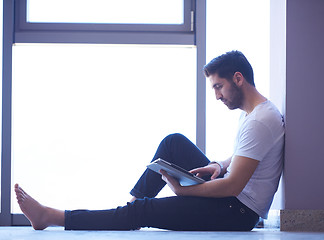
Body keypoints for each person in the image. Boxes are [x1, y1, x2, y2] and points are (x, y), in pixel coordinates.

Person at [15, 50, 285, 231]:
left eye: (218, 86)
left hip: (236, 212)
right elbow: (244, 157)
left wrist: (185, 191)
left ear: (238, 79)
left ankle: (51, 217)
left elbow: (233, 185)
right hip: (233, 199)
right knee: (173, 143)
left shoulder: (260, 120)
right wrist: (218, 164)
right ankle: (128, 210)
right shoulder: (254, 113)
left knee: (143, 211)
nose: (217, 96)